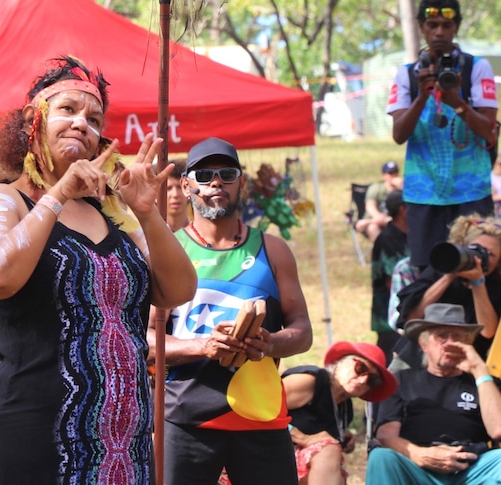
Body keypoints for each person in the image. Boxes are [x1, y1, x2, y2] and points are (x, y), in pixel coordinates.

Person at [0, 56, 196, 484]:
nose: (81, 124)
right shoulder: (6, 199)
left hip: (122, 451)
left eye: (93, 118)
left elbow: (179, 288)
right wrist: (57, 194)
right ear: (33, 123)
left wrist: (146, 213)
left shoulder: (114, 217)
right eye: (67, 110)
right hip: (34, 440)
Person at [147, 136, 313, 484]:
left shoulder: (273, 249)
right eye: (205, 174)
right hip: (185, 418)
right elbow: (142, 341)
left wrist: (270, 344)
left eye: (227, 173)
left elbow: (302, 330)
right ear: (186, 186)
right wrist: (203, 346)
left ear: (243, 184)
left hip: (259, 413)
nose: (216, 182)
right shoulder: (167, 250)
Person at [386, 0, 498, 271]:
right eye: (432, 25)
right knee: (428, 272)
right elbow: (399, 134)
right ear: (421, 28)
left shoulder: (477, 68)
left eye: (446, 25)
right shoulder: (407, 74)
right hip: (424, 197)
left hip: (471, 193)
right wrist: (422, 96)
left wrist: (456, 102)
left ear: (456, 28)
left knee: (476, 268)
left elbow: (489, 132)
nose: (439, 32)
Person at [365, 303, 501, 484]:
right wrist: (420, 455)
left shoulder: (485, 383)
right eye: (442, 336)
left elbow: (498, 431)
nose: (450, 343)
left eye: (457, 337)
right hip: (416, 466)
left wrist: (480, 371)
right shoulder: (401, 381)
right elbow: (386, 436)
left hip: (472, 468)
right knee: (381, 457)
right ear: (424, 344)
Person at [283, 341, 397, 485]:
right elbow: (257, 408)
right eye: (360, 368)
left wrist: (341, 436)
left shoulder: (345, 409)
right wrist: (303, 438)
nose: (363, 380)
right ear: (340, 362)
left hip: (296, 467)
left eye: (373, 380)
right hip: (268, 455)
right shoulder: (311, 381)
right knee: (328, 450)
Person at [395, 214, 501, 368]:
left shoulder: (495, 286)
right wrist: (451, 273)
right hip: (415, 358)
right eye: (475, 249)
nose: (480, 256)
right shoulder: (439, 272)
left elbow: (487, 331)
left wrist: (478, 282)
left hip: (462, 366)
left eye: (490, 254)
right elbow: (411, 316)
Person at [370, 189, 409, 363]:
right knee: (389, 363)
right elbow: (390, 281)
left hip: (405, 314)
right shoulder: (387, 239)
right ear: (403, 210)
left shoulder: (409, 236)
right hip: (389, 316)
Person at [355, 161, 403, 242]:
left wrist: (402, 186)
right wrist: (378, 217)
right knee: (372, 228)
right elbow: (370, 206)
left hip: (396, 222)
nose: (394, 176)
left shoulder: (400, 190)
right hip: (376, 221)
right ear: (384, 175)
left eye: (396, 172)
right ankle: (381, 252)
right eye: (390, 173)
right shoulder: (376, 188)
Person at [165, 157, 190, 231]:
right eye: (168, 188)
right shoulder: (141, 239)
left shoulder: (204, 235)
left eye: (180, 187)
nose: (175, 194)